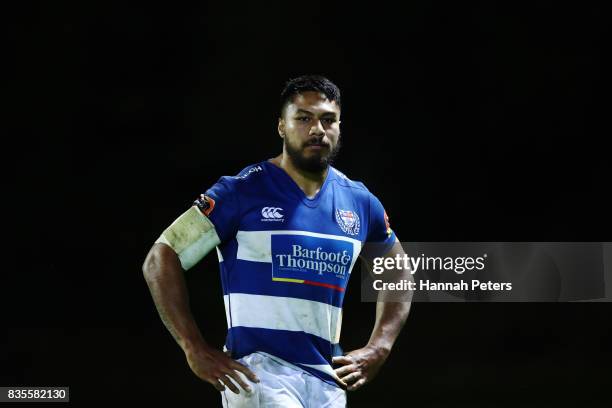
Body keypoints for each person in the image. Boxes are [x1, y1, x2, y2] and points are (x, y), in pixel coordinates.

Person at [142, 75, 411, 407]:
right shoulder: (241, 191)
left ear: (340, 128)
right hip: (260, 374)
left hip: (327, 382)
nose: (317, 129)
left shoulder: (359, 201)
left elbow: (398, 271)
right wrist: (193, 346)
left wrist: (379, 346)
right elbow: (162, 255)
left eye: (328, 120)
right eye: (303, 118)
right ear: (281, 127)